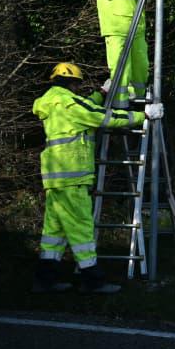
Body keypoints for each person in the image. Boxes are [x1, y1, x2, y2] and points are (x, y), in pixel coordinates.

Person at [31, 62, 161, 294]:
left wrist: (101, 93)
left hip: (55, 178)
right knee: (82, 229)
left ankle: (44, 280)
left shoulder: (53, 102)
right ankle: (93, 280)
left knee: (54, 232)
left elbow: (86, 106)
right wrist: (143, 116)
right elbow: (103, 117)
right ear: (72, 83)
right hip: (73, 179)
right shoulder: (70, 103)